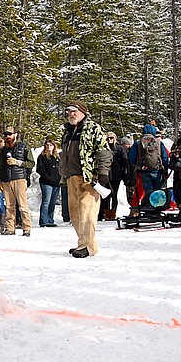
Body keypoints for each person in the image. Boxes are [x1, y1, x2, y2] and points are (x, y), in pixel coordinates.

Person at [59, 101, 111, 258]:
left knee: (86, 212)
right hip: (70, 177)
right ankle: (85, 244)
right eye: (69, 111)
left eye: (74, 111)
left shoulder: (93, 129)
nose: (71, 114)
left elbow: (104, 151)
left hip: (88, 178)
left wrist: (103, 173)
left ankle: (86, 247)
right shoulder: (68, 132)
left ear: (82, 112)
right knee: (75, 213)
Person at [0, 127, 32, 236]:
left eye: (10, 134)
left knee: (22, 205)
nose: (8, 136)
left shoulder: (24, 147)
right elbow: (0, 166)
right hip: (6, 180)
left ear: (15, 135)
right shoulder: (3, 150)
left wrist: (18, 162)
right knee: (9, 205)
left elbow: (31, 163)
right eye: (6, 134)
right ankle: (10, 228)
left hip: (19, 178)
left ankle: (27, 228)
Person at [129, 123, 170, 210]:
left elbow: (131, 157)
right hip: (158, 170)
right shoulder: (158, 142)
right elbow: (165, 157)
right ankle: (159, 208)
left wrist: (136, 167)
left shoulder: (138, 143)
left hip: (144, 170)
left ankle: (150, 207)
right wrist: (166, 168)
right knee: (159, 190)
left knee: (148, 191)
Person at [103, 131, 129, 221]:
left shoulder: (119, 148)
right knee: (105, 195)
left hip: (116, 174)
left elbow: (125, 161)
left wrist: (125, 173)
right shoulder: (103, 147)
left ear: (115, 138)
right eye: (108, 138)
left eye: (111, 138)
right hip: (105, 174)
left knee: (114, 194)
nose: (110, 140)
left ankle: (113, 213)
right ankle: (105, 213)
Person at [36, 139, 62, 227]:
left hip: (56, 183)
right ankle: (44, 221)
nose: (49, 147)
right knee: (46, 201)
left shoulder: (57, 157)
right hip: (46, 182)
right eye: (47, 145)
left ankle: (50, 220)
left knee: (52, 202)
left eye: (51, 145)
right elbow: (40, 169)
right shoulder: (42, 157)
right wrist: (47, 178)